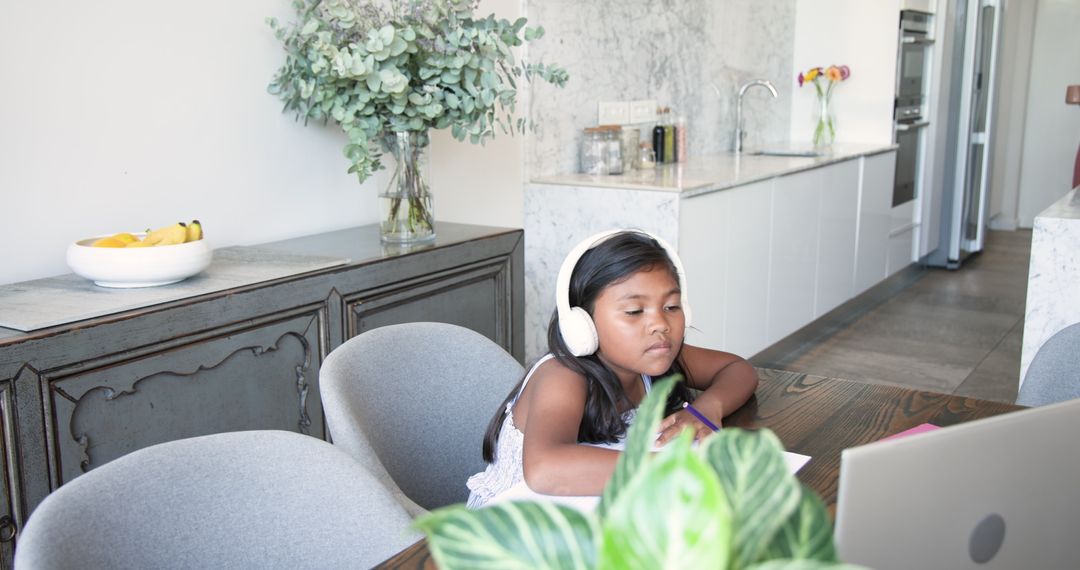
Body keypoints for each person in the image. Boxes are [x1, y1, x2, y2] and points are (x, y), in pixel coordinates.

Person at [466, 229, 758, 508]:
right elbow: (545, 468)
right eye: (634, 311)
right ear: (584, 324)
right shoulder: (563, 376)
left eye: (671, 306)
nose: (660, 324)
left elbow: (738, 369)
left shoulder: (652, 355)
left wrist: (708, 408)